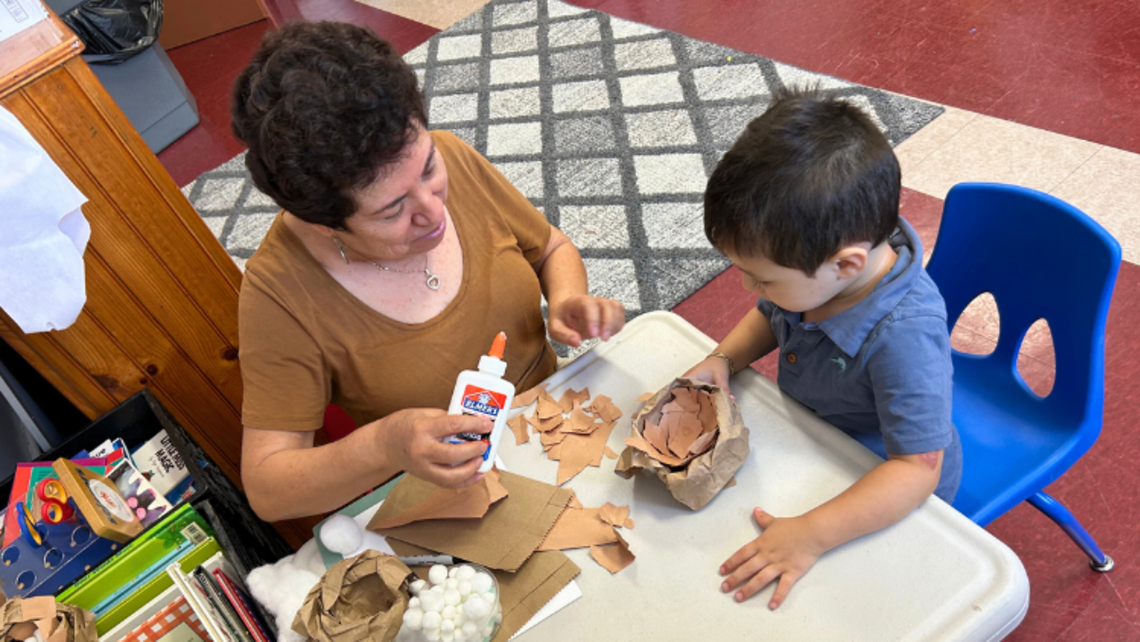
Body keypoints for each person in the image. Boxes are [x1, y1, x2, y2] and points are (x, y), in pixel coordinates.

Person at [230, 22, 625, 523]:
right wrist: (385, 445)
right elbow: (269, 490)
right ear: (324, 223)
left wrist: (567, 296)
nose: (434, 211)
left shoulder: (451, 157)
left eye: (428, 169)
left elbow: (549, 247)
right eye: (392, 210)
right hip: (462, 496)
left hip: (557, 428)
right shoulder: (280, 293)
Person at [684, 87, 961, 610]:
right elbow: (775, 313)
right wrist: (722, 360)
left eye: (761, 278)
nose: (749, 289)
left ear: (847, 264)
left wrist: (809, 535)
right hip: (815, 440)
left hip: (881, 481)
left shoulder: (904, 335)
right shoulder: (822, 275)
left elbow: (918, 468)